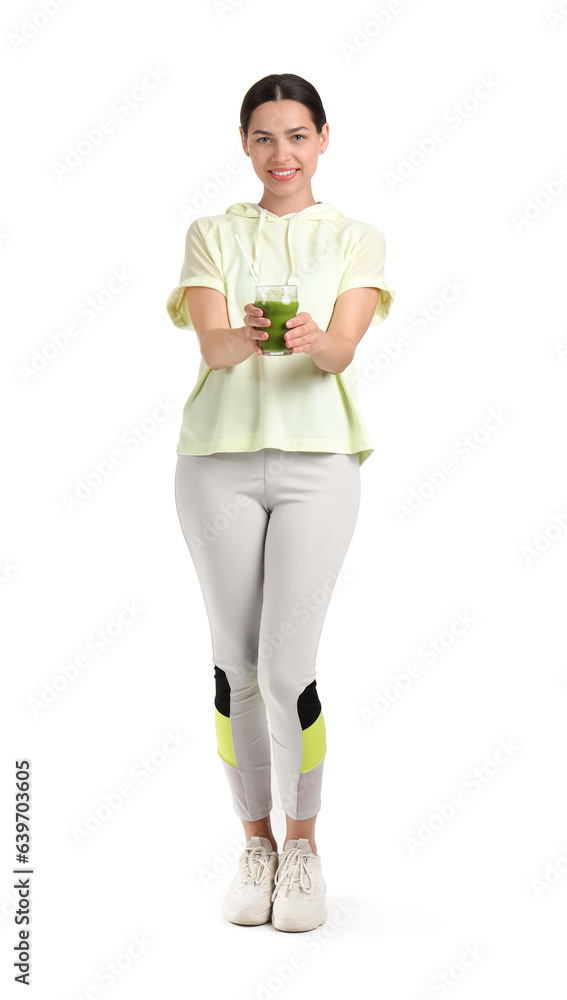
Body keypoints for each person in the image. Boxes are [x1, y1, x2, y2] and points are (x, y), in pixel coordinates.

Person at [166, 73, 395, 933]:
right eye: (264, 137)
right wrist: (248, 336)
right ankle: (253, 842)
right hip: (216, 465)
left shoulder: (356, 238)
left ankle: (303, 846)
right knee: (236, 666)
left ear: (323, 139)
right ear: (244, 144)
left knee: (288, 665)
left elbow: (342, 350)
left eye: (296, 135)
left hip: (318, 466)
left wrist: (317, 340)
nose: (280, 154)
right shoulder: (211, 233)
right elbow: (213, 341)